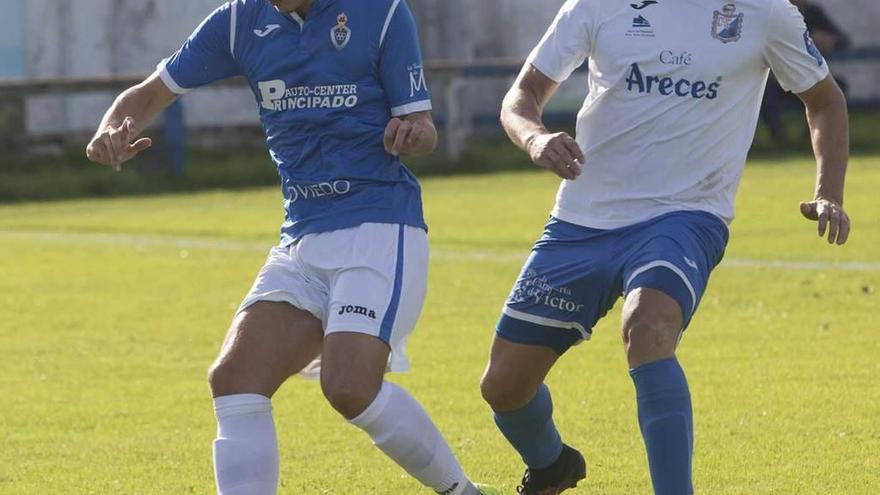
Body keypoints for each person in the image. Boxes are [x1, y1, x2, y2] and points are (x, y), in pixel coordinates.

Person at [84, 1, 501, 494]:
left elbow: (424, 128)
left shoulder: (382, 12)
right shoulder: (240, 21)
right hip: (302, 235)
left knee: (349, 387)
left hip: (380, 226)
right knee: (235, 377)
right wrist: (109, 129)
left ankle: (465, 493)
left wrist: (412, 133)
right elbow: (149, 94)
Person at [480, 0, 851, 494]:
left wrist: (828, 192)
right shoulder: (594, 6)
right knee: (503, 387)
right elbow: (522, 95)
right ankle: (551, 464)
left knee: (647, 325)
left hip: (687, 214)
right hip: (583, 220)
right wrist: (534, 139)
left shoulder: (765, 12)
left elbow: (825, 101)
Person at [762, 0, 851, 143]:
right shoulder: (774, 12)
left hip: (807, 80)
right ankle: (779, 138)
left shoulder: (813, 12)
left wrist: (829, 40)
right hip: (778, 81)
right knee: (765, 91)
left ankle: (814, 137)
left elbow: (844, 40)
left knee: (835, 89)